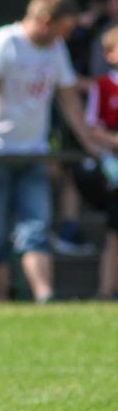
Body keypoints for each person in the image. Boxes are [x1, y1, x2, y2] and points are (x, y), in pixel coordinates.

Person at [0, 0, 99, 302]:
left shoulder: (56, 51)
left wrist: (89, 142)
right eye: (62, 29)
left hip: (33, 152)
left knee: (36, 230)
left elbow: (69, 101)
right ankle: (0, 303)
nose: (63, 37)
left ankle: (44, 299)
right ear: (44, 21)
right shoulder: (2, 44)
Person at [83, 23, 118, 298]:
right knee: (114, 236)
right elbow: (92, 127)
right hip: (112, 167)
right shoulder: (103, 86)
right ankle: (106, 293)